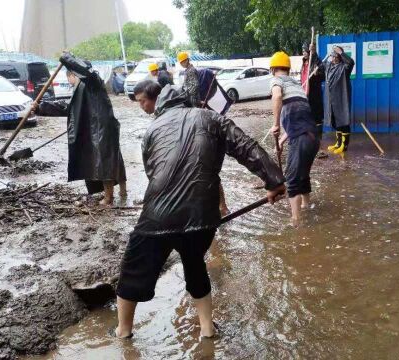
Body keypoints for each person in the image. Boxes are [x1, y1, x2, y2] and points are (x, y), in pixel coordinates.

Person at [114, 80, 286, 339]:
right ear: (186, 101)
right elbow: (246, 147)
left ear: (160, 105)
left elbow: (152, 172)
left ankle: (123, 331)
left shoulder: (152, 130)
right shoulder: (212, 118)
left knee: (133, 271)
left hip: (157, 215)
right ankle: (207, 328)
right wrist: (274, 181)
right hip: (202, 217)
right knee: (195, 264)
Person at [36, 52, 126, 205]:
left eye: (70, 79)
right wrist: (40, 107)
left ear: (73, 75)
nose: (70, 83)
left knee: (105, 162)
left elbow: (85, 73)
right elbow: (68, 107)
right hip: (97, 128)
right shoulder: (82, 87)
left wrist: (67, 59)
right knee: (112, 159)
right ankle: (121, 192)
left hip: (101, 128)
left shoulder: (92, 81)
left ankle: (109, 198)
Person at [269, 51, 320, 227]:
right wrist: (282, 141)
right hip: (313, 138)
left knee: (291, 180)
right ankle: (306, 207)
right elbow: (299, 121)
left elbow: (276, 96)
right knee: (303, 175)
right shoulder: (296, 84)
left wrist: (275, 124)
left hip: (301, 139)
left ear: (273, 69)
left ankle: (296, 221)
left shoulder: (277, 81)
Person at [324, 45, 355, 154]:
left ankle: (344, 145)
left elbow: (351, 62)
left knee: (343, 121)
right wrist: (312, 53)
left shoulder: (344, 68)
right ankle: (338, 143)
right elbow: (320, 64)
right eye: (332, 56)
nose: (333, 59)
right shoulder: (328, 67)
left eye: (335, 56)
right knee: (336, 121)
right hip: (331, 100)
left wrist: (341, 52)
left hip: (341, 98)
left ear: (339, 57)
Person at [300, 42, 327, 158]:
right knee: (306, 120)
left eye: (304, 51)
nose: (303, 53)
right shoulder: (304, 62)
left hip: (314, 96)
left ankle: (319, 148)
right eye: (302, 51)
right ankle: (308, 145)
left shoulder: (316, 62)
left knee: (317, 121)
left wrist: (317, 73)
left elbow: (323, 75)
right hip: (304, 95)